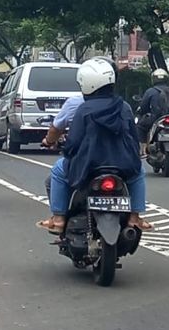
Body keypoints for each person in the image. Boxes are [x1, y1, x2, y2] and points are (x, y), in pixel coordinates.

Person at [40, 58, 152, 235]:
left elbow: (73, 143)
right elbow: (133, 138)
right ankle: (134, 217)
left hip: (88, 165)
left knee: (58, 171)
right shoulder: (124, 106)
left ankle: (59, 219)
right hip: (122, 165)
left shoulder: (83, 109)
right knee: (138, 172)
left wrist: (67, 149)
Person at [136, 69, 169, 156]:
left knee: (140, 126)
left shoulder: (151, 91)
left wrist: (141, 113)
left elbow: (144, 107)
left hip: (156, 118)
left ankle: (143, 148)